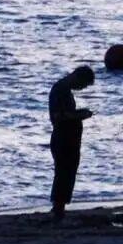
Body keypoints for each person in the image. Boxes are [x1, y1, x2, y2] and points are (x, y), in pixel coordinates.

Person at [47, 64, 94, 221]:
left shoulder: (64, 90)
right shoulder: (60, 90)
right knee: (64, 172)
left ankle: (59, 206)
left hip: (68, 137)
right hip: (63, 137)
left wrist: (79, 113)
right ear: (77, 77)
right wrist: (80, 115)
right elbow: (59, 116)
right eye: (83, 85)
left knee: (66, 172)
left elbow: (65, 113)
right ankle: (58, 207)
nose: (81, 88)